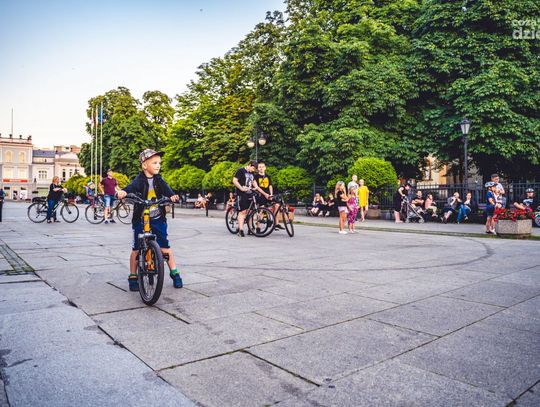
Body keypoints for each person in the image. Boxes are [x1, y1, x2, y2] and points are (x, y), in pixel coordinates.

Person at [116, 149, 182, 291]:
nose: (158, 165)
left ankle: (175, 273)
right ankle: (133, 276)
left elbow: (167, 190)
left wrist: (172, 196)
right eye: (154, 163)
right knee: (136, 248)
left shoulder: (159, 180)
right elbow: (131, 187)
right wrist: (124, 192)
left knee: (165, 247)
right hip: (141, 218)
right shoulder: (139, 179)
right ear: (145, 165)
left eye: (159, 163)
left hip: (157, 217)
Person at [232, 160, 257, 237]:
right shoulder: (241, 170)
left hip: (249, 193)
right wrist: (241, 188)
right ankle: (241, 230)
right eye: (253, 168)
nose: (253, 170)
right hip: (241, 194)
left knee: (250, 211)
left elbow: (253, 181)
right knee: (242, 211)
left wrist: (256, 187)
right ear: (249, 165)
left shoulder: (251, 173)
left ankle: (250, 229)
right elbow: (234, 181)